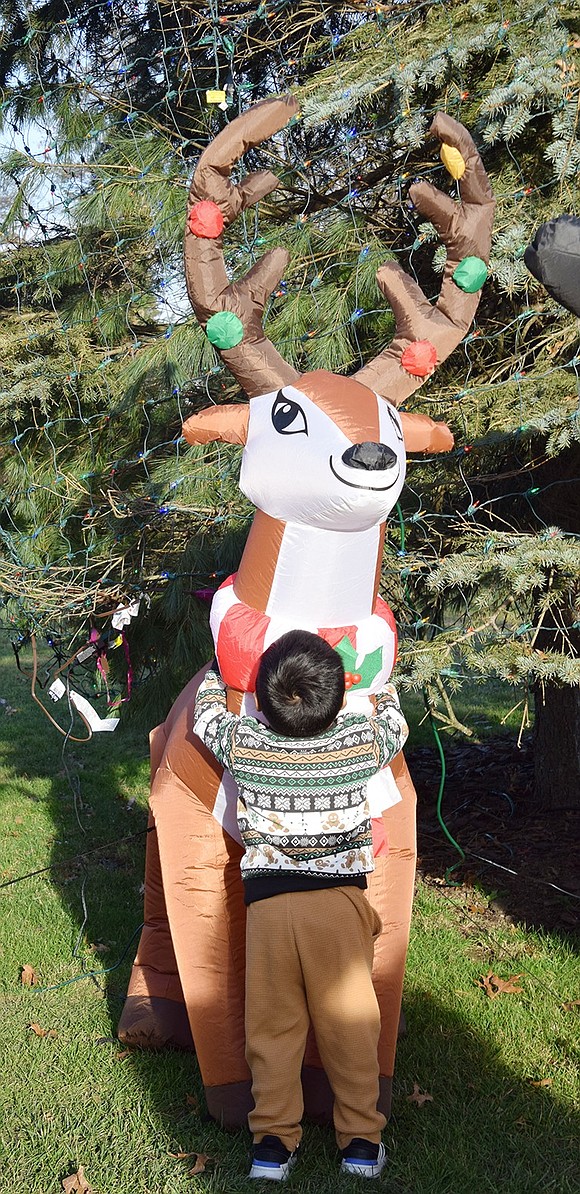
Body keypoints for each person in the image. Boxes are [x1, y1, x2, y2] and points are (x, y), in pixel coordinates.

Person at [193, 629, 409, 1181]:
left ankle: (272, 1144)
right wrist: (379, 692)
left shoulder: (246, 746)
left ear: (261, 701)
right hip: (336, 907)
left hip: (268, 909)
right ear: (338, 699)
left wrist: (221, 677)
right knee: (350, 1024)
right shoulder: (358, 744)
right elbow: (395, 724)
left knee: (271, 1028)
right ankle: (360, 1140)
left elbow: (205, 719)